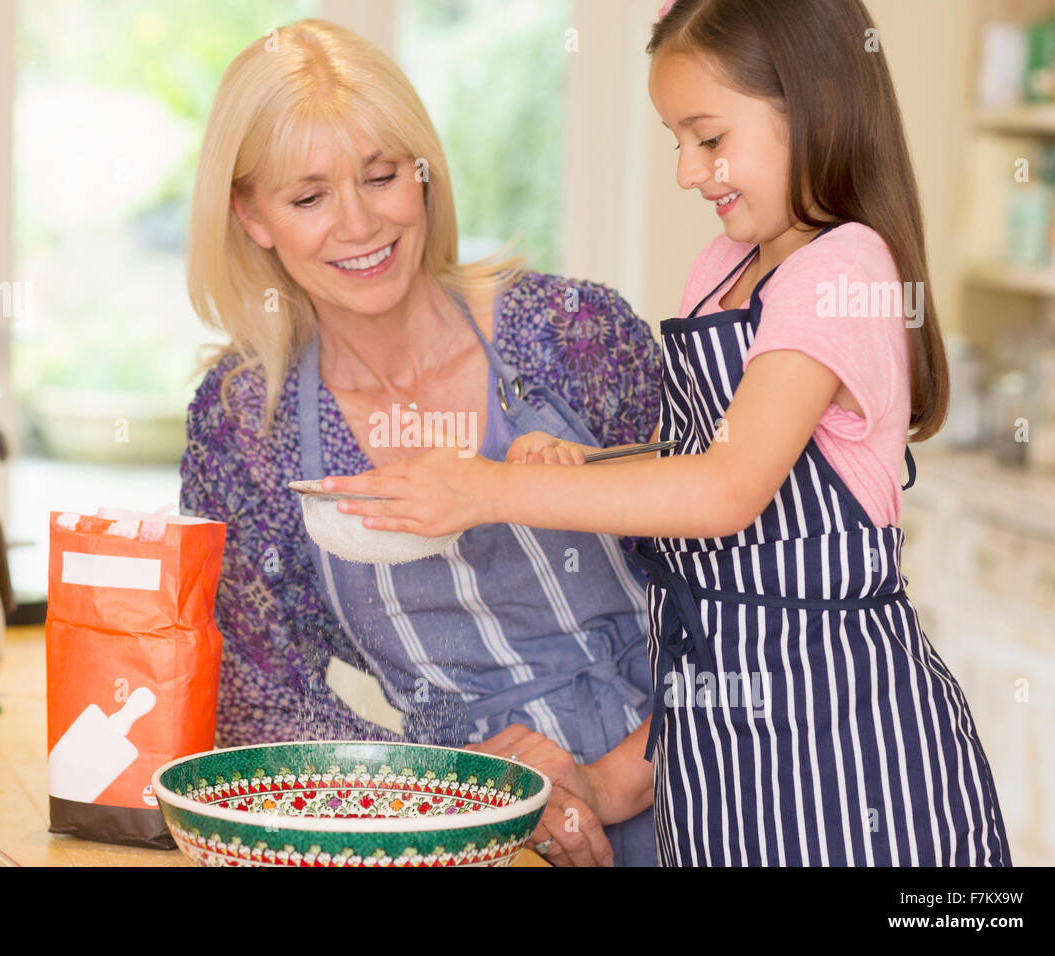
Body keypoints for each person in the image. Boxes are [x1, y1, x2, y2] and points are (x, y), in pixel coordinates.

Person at [323, 0, 1011, 866]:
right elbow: (702, 469)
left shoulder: (845, 270)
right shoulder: (723, 268)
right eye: (674, 140)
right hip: (719, 759)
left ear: (814, 103)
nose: (689, 171)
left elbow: (727, 491)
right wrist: (588, 465)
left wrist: (488, 486)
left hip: (844, 754)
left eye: (710, 138)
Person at [179, 18, 666, 865]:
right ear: (250, 215)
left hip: (702, 778)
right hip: (460, 827)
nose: (360, 225)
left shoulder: (570, 334)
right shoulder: (245, 425)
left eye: (380, 177)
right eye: (308, 197)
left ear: (423, 175)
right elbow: (258, 694)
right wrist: (458, 784)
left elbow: (750, 594)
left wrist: (618, 779)